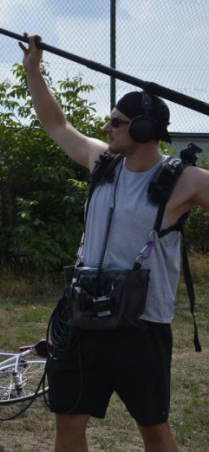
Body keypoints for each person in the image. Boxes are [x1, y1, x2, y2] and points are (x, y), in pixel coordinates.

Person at [19, 33, 209, 452]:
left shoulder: (185, 180)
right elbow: (57, 124)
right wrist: (33, 71)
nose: (106, 128)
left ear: (143, 129)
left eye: (115, 122)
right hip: (83, 315)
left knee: (154, 429)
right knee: (67, 420)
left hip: (141, 325)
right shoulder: (102, 161)